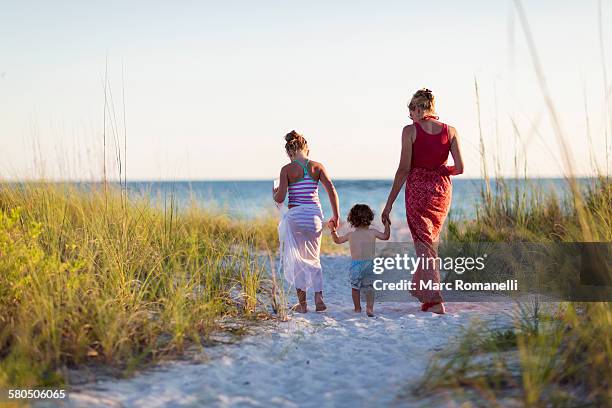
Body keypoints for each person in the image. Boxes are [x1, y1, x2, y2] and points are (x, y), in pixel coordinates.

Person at [382, 88, 464, 314]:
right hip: (441, 190)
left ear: (419, 108)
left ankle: (435, 299)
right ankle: (424, 291)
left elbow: (403, 170)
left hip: (418, 188)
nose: (410, 115)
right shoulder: (452, 131)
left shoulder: (410, 131)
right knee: (430, 242)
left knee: (425, 244)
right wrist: (439, 170)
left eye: (411, 110)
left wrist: (388, 204)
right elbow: (460, 168)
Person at [273, 130, 340, 313]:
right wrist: (336, 215)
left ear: (289, 153)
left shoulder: (287, 169)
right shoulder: (317, 167)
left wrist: (275, 193)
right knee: (314, 257)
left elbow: (280, 199)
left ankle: (303, 305)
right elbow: (331, 190)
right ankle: (319, 299)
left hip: (296, 216)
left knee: (297, 260)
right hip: (314, 216)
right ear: (307, 150)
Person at [330, 204, 390, 317]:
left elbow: (337, 240)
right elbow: (386, 236)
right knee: (370, 287)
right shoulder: (373, 232)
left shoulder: (351, 235)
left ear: (352, 220)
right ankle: (369, 308)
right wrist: (387, 223)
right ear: (370, 218)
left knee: (355, 288)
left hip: (356, 265)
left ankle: (357, 308)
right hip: (370, 264)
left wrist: (332, 230)